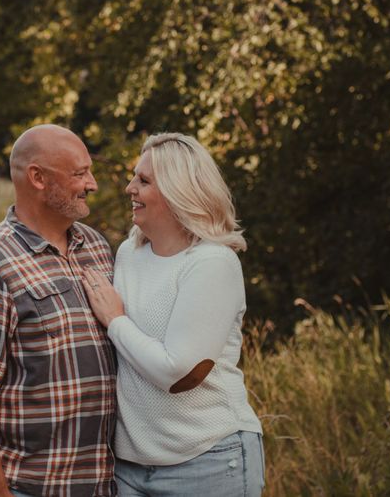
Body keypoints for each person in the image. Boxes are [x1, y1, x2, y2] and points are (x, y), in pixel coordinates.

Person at [81, 132, 265, 497]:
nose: (130, 188)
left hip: (207, 460)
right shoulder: (128, 254)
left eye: (144, 180)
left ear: (178, 191)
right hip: (130, 468)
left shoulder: (212, 263)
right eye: (135, 176)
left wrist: (115, 320)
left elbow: (178, 372)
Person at [0, 124, 118, 497]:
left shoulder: (96, 248)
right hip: (27, 487)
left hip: (100, 485)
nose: (93, 183)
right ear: (37, 177)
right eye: (80, 173)